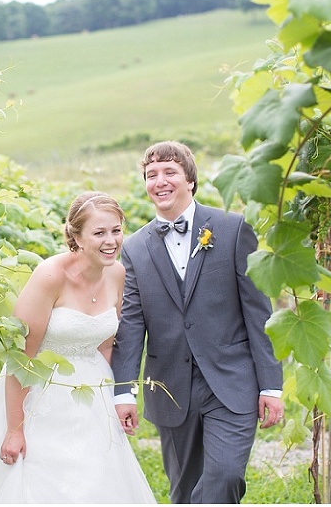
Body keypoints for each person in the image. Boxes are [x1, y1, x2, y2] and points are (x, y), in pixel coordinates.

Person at [111, 141, 284, 504]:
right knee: (184, 488)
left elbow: (258, 311)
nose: (160, 181)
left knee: (224, 476)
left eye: (169, 172)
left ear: (190, 180)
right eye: (151, 174)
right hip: (170, 386)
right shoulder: (135, 248)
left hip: (232, 380)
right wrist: (124, 390)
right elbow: (131, 324)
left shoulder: (233, 228)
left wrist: (271, 385)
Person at [0, 191, 156, 504]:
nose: (111, 241)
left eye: (116, 230)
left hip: (93, 396)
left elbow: (107, 346)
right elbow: (21, 357)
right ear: (76, 236)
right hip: (41, 393)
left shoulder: (117, 274)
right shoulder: (50, 276)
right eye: (99, 232)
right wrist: (14, 428)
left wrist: (119, 396)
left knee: (97, 482)